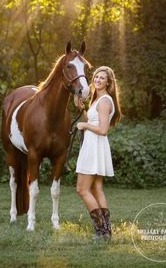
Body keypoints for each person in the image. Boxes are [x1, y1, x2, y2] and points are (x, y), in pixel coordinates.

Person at [74, 66, 121, 240]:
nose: (98, 80)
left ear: (108, 82)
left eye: (102, 78)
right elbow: (93, 120)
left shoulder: (104, 102)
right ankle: (106, 231)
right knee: (96, 187)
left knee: (81, 189)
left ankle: (101, 230)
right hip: (93, 145)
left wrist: (84, 126)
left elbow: (102, 129)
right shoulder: (99, 100)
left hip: (95, 145)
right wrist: (82, 109)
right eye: (96, 77)